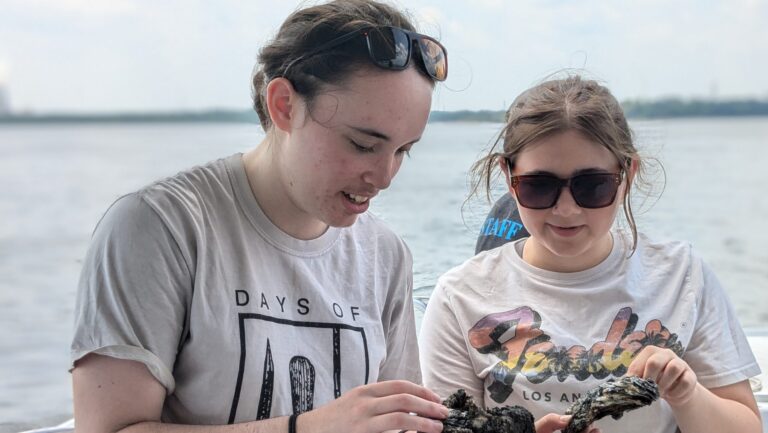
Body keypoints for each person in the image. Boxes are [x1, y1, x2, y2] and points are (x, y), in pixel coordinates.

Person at [70, 1, 452, 432]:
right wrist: (306, 428)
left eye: (404, 150)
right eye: (363, 144)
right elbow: (109, 428)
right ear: (284, 105)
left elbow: (399, 422)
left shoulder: (386, 255)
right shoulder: (161, 227)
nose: (384, 177)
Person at [419, 76, 762, 433]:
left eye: (593, 186)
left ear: (626, 175)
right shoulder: (459, 296)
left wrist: (687, 392)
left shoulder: (682, 275)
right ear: (509, 177)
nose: (566, 210)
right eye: (540, 186)